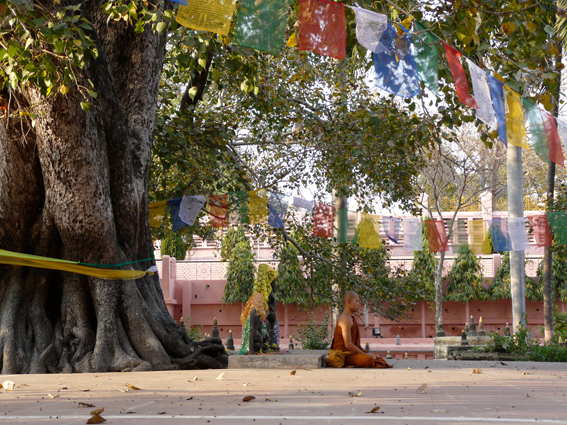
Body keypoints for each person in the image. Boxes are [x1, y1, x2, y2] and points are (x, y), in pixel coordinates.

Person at [330, 291, 392, 368]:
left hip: (351, 354)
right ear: (349, 301)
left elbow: (355, 345)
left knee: (376, 358)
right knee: (369, 359)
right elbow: (348, 344)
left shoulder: (351, 318)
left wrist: (364, 352)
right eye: (357, 301)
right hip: (343, 356)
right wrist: (364, 354)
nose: (359, 304)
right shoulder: (345, 319)